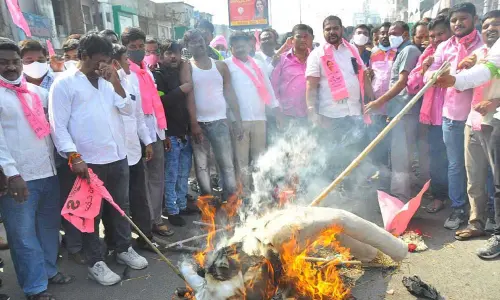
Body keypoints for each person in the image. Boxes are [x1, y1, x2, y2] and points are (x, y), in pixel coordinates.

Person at [49, 32, 148, 286]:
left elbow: (127, 108)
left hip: (117, 156)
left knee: (120, 208)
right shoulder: (64, 83)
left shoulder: (107, 80)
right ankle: (96, 262)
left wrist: (114, 80)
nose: (102, 66)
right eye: (98, 61)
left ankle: (123, 248)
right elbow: (57, 126)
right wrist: (74, 155)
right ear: (83, 57)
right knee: (91, 214)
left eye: (107, 61)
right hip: (87, 162)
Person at [0, 37, 74, 300]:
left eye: (14, 61)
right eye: (3, 62)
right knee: (22, 235)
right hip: (18, 178)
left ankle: (49, 271)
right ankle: (35, 287)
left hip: (48, 172)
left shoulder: (38, 93)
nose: (10, 67)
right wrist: (11, 173)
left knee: (48, 227)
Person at [425, 2, 483, 230]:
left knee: (480, 167)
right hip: (451, 116)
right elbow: (431, 73)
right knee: (456, 165)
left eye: (463, 19)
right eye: (454, 20)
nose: (458, 23)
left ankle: (484, 213)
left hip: (479, 115)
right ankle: (459, 208)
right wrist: (435, 73)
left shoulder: (485, 45)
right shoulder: (444, 47)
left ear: (474, 20)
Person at [109, 44, 168, 248]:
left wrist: (148, 141)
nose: (129, 62)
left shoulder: (131, 80)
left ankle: (146, 239)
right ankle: (120, 245)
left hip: (134, 149)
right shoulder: (102, 86)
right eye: (126, 58)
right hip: (114, 154)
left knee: (139, 197)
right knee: (120, 202)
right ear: (115, 62)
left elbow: (138, 115)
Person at [452, 11, 500, 246]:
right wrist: (461, 68)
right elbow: (459, 85)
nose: (491, 29)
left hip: (496, 123)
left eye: (497, 25)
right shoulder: (477, 54)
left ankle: (496, 225)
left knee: (497, 179)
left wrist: (495, 102)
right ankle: (476, 222)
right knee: (474, 176)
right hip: (474, 121)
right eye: (487, 25)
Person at [306, 16, 372, 181]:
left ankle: (354, 194)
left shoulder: (352, 50)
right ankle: (335, 195)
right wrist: (312, 112)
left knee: (355, 157)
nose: (332, 32)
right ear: (323, 32)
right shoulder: (317, 54)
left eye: (335, 28)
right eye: (328, 29)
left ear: (342, 29)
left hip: (355, 114)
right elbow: (311, 86)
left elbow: (363, 76)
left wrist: (372, 100)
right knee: (334, 158)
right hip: (332, 117)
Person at [365, 21, 422, 201]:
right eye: (389, 34)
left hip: (405, 111)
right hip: (398, 111)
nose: (391, 37)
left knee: (401, 158)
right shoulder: (401, 51)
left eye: (395, 33)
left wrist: (379, 101)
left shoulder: (409, 51)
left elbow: (402, 82)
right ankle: (399, 193)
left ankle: (400, 197)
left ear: (406, 34)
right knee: (397, 156)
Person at [185, 29, 242, 204]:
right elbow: (189, 96)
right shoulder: (187, 67)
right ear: (187, 46)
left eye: (200, 39)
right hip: (199, 124)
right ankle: (208, 201)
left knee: (226, 163)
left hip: (220, 121)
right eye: (193, 42)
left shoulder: (220, 65)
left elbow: (230, 93)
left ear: (205, 41)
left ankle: (230, 198)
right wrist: (194, 124)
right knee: (202, 166)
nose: (198, 44)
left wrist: (237, 119)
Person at [225, 31, 280, 196]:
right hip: (240, 121)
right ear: (231, 48)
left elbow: (267, 87)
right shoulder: (226, 65)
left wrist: (276, 109)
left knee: (259, 159)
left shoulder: (258, 63)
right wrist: (232, 120)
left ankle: (260, 192)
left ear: (250, 46)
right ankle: (245, 194)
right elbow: (226, 94)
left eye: (244, 45)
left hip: (260, 118)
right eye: (237, 46)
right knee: (242, 161)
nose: (241, 49)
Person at [408, 16, 452, 214]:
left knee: (457, 161)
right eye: (432, 36)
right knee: (437, 158)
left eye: (440, 34)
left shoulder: (459, 51)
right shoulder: (428, 53)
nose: (435, 39)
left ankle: (460, 201)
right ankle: (440, 196)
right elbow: (413, 83)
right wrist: (425, 67)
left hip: (458, 115)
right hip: (435, 116)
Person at [153, 40, 199, 226]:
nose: (173, 56)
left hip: (184, 132)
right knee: (170, 175)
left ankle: (181, 205)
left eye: (176, 53)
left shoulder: (182, 72)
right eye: (168, 53)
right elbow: (161, 103)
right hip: (170, 134)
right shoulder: (158, 75)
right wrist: (182, 89)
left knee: (183, 174)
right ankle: (171, 211)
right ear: (161, 55)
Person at [365, 21, 395, 189]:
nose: (385, 36)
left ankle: (392, 182)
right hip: (376, 108)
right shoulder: (374, 53)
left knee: (393, 146)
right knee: (378, 145)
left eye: (388, 33)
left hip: (393, 107)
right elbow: (371, 78)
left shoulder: (399, 52)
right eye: (382, 33)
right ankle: (380, 179)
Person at [271, 24, 314, 127]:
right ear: (292, 39)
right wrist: (279, 113)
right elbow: (274, 88)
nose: (303, 40)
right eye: (299, 36)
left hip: (310, 115)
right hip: (287, 115)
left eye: (306, 37)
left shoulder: (316, 58)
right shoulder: (282, 59)